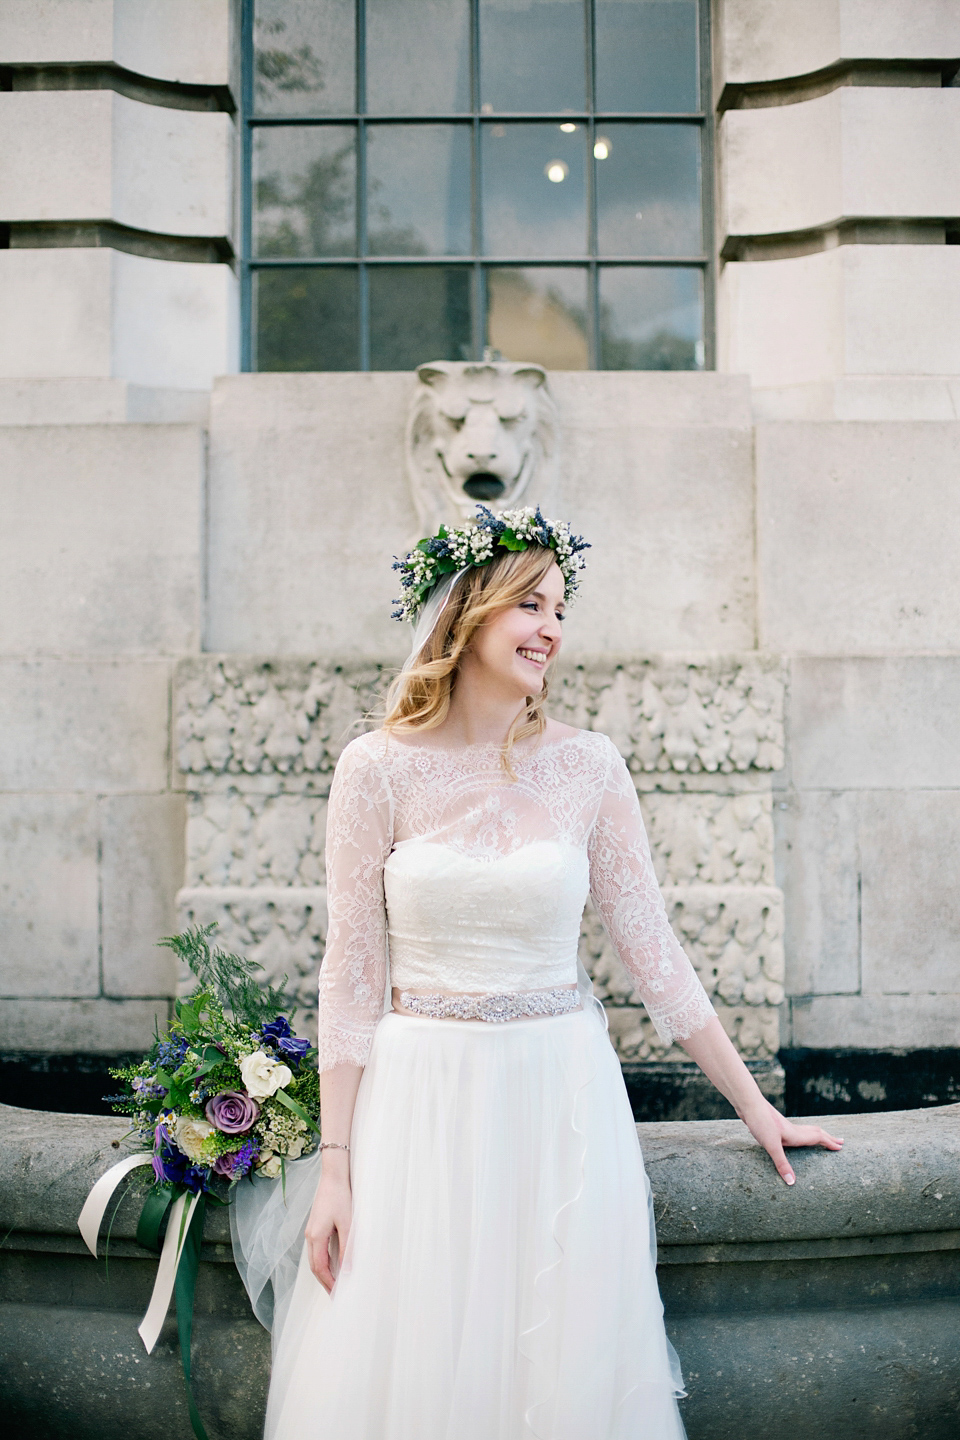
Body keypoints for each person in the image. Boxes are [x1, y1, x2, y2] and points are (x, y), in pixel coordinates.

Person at [233, 506, 842, 1440]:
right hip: (419, 1105)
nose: (552, 626)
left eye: (560, 606)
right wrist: (337, 1171)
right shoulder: (374, 771)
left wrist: (757, 1109)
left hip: (561, 1099)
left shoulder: (590, 767)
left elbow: (656, 954)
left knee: (559, 1367)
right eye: (530, 603)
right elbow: (351, 977)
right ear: (467, 613)